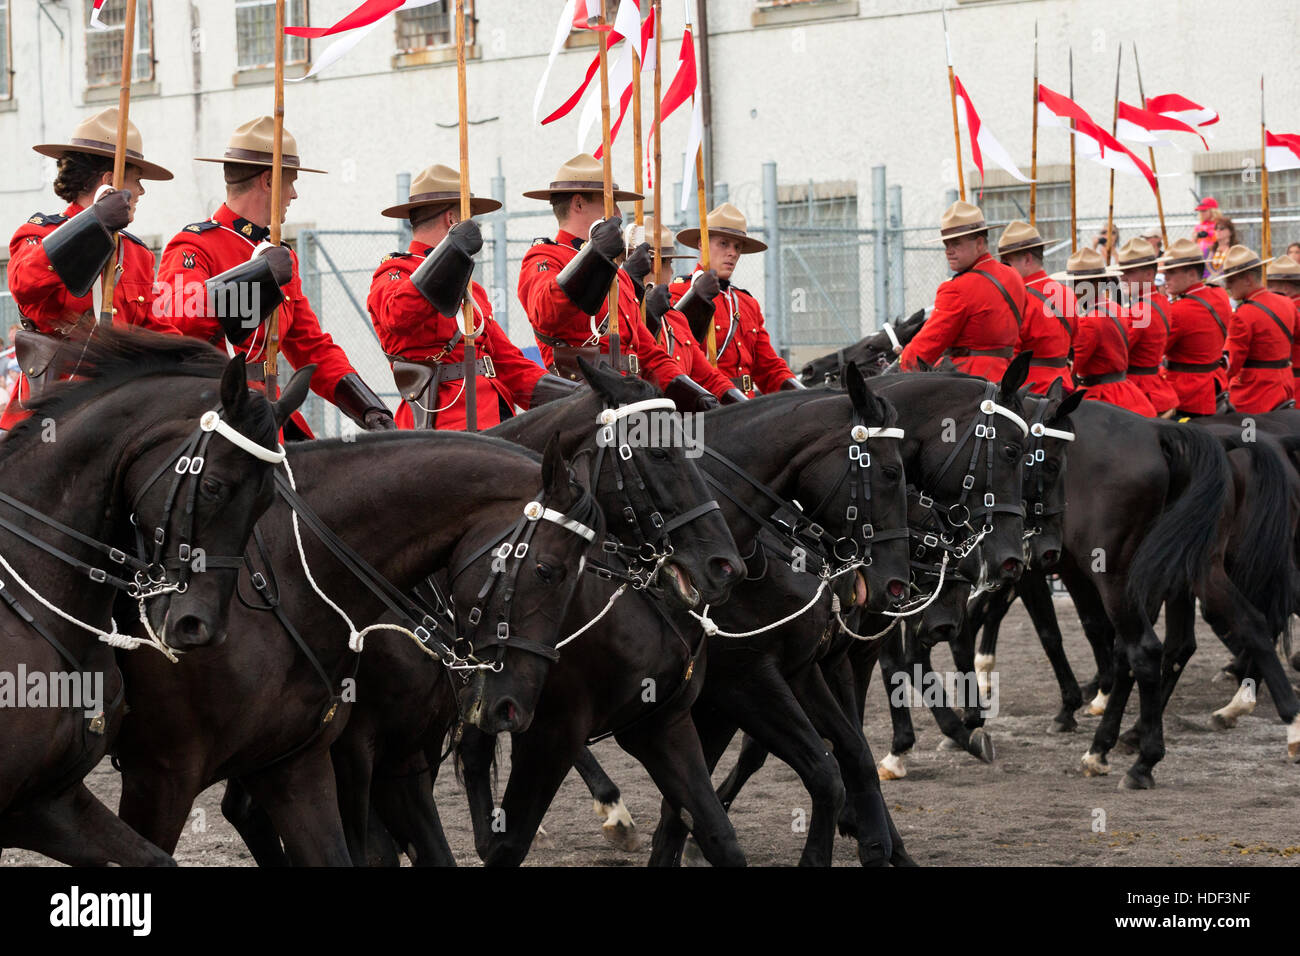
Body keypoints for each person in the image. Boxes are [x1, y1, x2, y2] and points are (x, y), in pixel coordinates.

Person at [156, 117, 395, 436]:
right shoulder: (195, 244)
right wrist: (256, 277)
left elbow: (312, 346)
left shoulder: (280, 254)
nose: (294, 195)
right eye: (290, 182)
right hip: (213, 415)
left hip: (269, 409)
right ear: (268, 181)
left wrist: (366, 406)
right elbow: (182, 318)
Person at [2, 108, 180, 429]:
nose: (140, 191)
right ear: (110, 181)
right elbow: (22, 282)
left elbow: (155, 330)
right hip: (49, 417)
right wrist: (91, 224)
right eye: (136, 180)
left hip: (114, 415)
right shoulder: (42, 234)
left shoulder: (137, 253)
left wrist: (204, 363)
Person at [368, 163, 574, 430]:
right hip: (444, 425)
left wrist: (573, 399)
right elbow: (398, 316)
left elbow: (508, 362)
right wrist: (449, 254)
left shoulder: (472, 290)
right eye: (471, 217)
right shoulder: (395, 272)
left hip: (494, 417)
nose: (476, 226)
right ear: (453, 219)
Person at [517, 154, 717, 411]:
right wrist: (594, 256)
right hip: (583, 402)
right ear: (578, 204)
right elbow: (547, 312)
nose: (620, 215)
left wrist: (697, 395)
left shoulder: (617, 275)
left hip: (632, 396)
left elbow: (649, 352)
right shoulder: (546, 257)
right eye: (610, 203)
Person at [667, 202, 802, 396]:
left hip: (746, 406)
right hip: (707, 405)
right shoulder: (679, 294)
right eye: (723, 244)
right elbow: (678, 360)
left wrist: (804, 394)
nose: (732, 253)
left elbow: (769, 368)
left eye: (737, 247)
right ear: (702, 243)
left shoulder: (746, 304)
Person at [900, 201, 1025, 380]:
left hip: (969, 384)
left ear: (979, 243)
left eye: (956, 244)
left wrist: (901, 364)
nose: (948, 251)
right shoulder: (1013, 276)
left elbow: (926, 347)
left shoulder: (956, 288)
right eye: (946, 245)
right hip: (1007, 378)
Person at [636, 217, 745, 403]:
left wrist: (745, 406)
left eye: (668, 263)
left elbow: (708, 376)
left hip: (684, 416)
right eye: (662, 263)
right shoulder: (622, 313)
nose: (669, 271)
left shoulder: (677, 319)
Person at [1055, 248, 1155, 416]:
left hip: (1100, 395)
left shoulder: (1089, 321)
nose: (1071, 288)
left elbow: (1073, 366)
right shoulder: (1115, 307)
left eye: (1074, 283)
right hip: (1123, 389)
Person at [1214, 244, 1296, 413]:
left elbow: (1231, 364)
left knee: (1245, 438)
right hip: (1287, 386)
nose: (1227, 286)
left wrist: (1212, 383)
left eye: (1231, 280)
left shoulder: (1243, 315)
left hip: (1254, 394)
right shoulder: (1287, 302)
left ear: (1247, 279)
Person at [997, 219, 1075, 394]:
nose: (1004, 269)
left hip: (1031, 391)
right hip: (1064, 386)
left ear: (1027, 259)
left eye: (1007, 263)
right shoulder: (1067, 293)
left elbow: (1010, 356)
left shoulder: (1017, 298)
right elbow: (1076, 344)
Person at [1160, 238, 1230, 417]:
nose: (1165, 277)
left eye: (1172, 272)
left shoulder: (1177, 311)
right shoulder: (1218, 294)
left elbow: (1153, 352)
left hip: (1187, 393)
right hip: (1215, 382)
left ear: (1191, 274)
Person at [1116, 238, 1180, 417]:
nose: (1123, 277)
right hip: (1154, 382)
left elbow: (1117, 354)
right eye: (1122, 272)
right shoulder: (1159, 301)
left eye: (1130, 272)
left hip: (1138, 388)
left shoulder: (1139, 310)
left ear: (1149, 275)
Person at [1265, 255, 1300, 394]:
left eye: (1271, 286)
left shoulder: (1288, 310)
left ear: (1285, 288)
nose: (1267, 291)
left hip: (1293, 381)